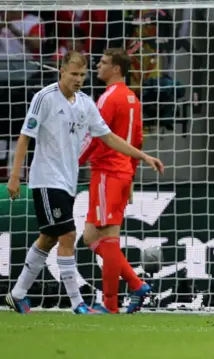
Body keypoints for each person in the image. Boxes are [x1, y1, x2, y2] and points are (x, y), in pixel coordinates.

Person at [4, 51, 164, 315]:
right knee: (68, 235)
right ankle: (79, 304)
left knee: (47, 239)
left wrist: (143, 156)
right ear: (62, 72)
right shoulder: (44, 98)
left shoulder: (86, 103)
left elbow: (109, 137)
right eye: (73, 74)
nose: (78, 79)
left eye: (82, 75)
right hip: (46, 179)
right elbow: (24, 137)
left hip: (68, 181)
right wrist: (14, 175)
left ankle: (17, 295)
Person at [78, 48, 150, 314]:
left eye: (103, 62)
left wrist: (73, 161)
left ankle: (110, 304)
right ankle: (136, 284)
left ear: (117, 69)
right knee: (90, 236)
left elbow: (96, 136)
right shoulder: (133, 98)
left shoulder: (108, 98)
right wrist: (132, 176)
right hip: (121, 172)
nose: (98, 65)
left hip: (108, 171)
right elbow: (138, 140)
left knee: (108, 238)